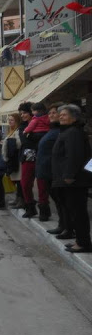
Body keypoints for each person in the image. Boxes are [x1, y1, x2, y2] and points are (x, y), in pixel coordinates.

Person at [51, 104, 92, 252]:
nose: (61, 116)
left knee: (78, 212)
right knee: (74, 211)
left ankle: (83, 243)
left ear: (74, 117)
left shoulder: (73, 132)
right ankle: (80, 240)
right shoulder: (69, 131)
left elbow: (74, 156)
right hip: (71, 179)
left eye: (64, 114)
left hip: (74, 181)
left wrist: (68, 175)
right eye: (60, 114)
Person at [36, 103, 62, 226]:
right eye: (50, 112)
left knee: (62, 202)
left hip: (54, 173)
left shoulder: (61, 132)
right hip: (46, 172)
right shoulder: (52, 130)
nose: (51, 115)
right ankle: (64, 226)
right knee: (58, 201)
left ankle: (67, 227)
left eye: (54, 112)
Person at [2, 113, 23, 209]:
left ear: (17, 121)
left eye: (12, 120)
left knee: (19, 181)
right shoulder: (11, 131)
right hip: (12, 159)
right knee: (16, 181)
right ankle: (17, 199)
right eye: (9, 120)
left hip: (16, 159)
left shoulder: (18, 131)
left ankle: (21, 200)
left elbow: (18, 144)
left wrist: (10, 142)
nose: (10, 122)